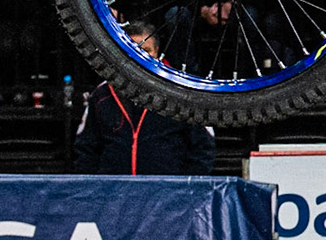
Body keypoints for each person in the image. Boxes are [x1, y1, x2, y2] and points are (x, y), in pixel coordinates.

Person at [74, 22, 218, 172]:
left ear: (157, 52)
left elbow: (203, 148)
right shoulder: (102, 94)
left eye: (146, 50)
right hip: (114, 192)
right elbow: (86, 148)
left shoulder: (181, 93)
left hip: (167, 192)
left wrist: (186, 190)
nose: (139, 58)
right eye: (132, 50)